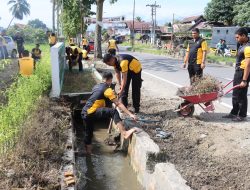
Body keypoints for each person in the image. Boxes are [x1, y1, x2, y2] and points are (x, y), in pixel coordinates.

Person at [81, 71, 139, 154]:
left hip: (84, 112)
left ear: (103, 79)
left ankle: (88, 153)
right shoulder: (107, 90)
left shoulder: (96, 86)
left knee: (88, 133)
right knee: (113, 112)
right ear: (110, 80)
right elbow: (118, 103)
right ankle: (124, 133)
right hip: (92, 112)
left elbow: (99, 99)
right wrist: (130, 114)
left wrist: (111, 95)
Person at [222, 27, 250, 122]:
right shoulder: (242, 44)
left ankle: (242, 115)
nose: (236, 39)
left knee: (241, 95)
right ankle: (234, 112)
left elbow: (248, 65)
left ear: (243, 36)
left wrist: (244, 80)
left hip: (243, 73)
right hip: (238, 72)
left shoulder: (248, 47)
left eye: (237, 37)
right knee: (235, 94)